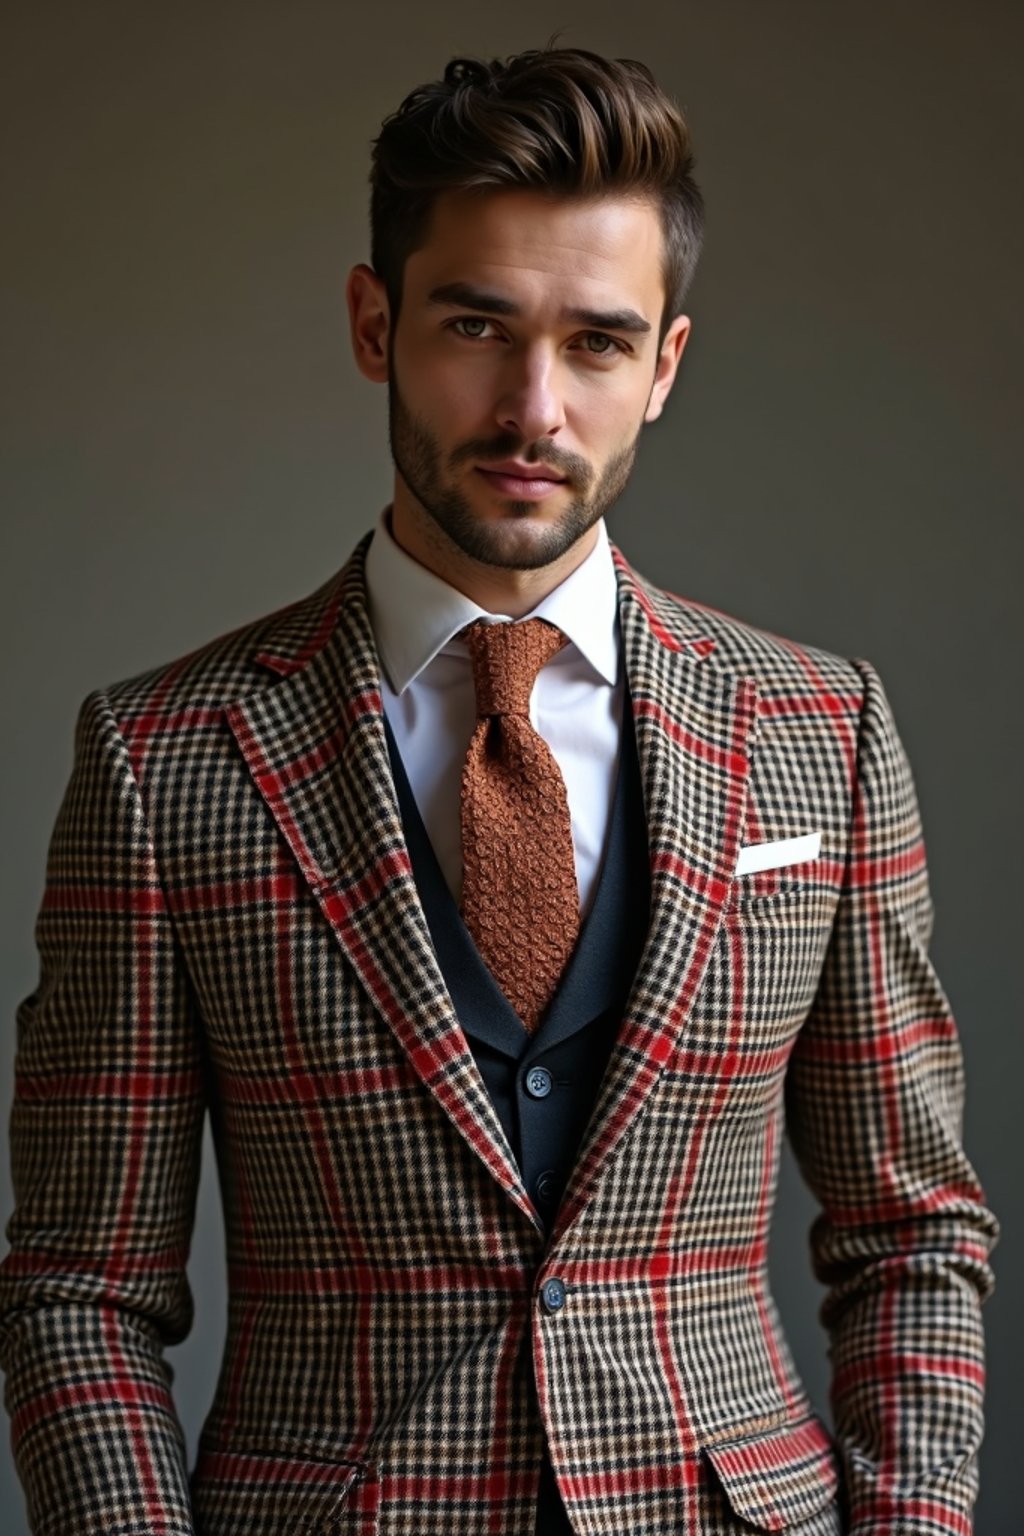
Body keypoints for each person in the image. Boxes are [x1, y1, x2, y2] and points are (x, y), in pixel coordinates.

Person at [0, 46, 997, 1536]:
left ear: (662, 367)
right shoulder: (168, 761)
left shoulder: (820, 730)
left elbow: (913, 1231)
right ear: (374, 322)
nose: (533, 405)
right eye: (478, 324)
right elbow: (79, 1288)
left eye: (597, 343)